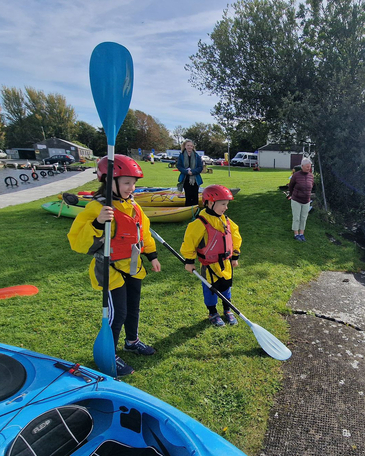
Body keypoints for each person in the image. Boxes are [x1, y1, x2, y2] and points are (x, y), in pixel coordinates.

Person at [67, 155, 161, 376]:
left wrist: (152, 256)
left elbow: (143, 233)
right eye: (127, 182)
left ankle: (132, 341)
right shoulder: (97, 208)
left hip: (133, 267)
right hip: (110, 270)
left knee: (133, 309)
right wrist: (98, 222)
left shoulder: (134, 206)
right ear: (110, 182)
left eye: (134, 182)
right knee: (117, 313)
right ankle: (110, 353)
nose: (132, 187)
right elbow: (78, 243)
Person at [181, 185, 242, 327]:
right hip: (209, 265)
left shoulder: (226, 221)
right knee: (211, 289)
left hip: (226, 263)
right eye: (222, 204)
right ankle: (212, 312)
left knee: (226, 286)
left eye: (226, 204)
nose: (226, 208)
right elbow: (189, 242)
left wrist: (235, 255)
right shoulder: (200, 223)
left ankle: (227, 310)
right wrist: (189, 261)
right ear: (209, 202)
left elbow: (235, 237)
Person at [287, 157, 314, 242]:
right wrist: (291, 195)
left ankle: (301, 234)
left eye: (309, 166)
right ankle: (296, 234)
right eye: (307, 166)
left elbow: (312, 186)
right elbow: (291, 186)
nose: (308, 168)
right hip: (296, 200)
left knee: (304, 217)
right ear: (302, 166)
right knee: (296, 217)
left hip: (306, 201)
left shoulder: (311, 176)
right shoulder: (296, 175)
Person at [176, 139, 203, 206]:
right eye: (188, 145)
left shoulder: (197, 156)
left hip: (195, 179)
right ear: (185, 146)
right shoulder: (181, 155)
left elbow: (200, 167)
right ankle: (188, 211)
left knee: (195, 197)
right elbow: (179, 166)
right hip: (186, 179)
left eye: (191, 146)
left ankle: (195, 213)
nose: (189, 147)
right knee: (188, 197)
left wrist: (193, 172)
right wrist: (186, 172)